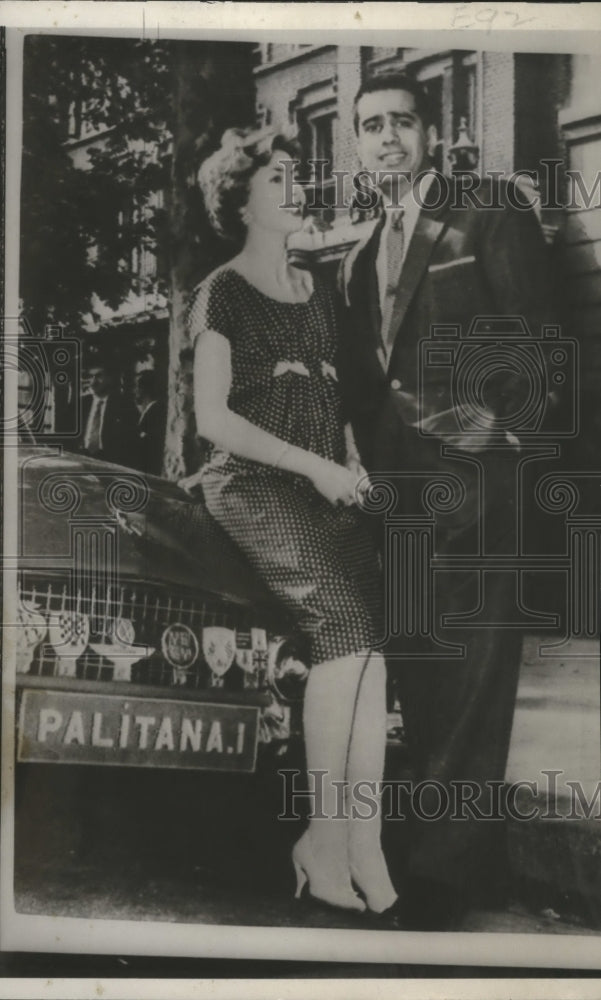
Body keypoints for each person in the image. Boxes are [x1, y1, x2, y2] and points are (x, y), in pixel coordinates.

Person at [339, 73, 557, 929]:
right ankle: (456, 859)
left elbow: (544, 337)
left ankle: (439, 878)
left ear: (430, 133)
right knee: (425, 682)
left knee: (473, 685)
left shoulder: (488, 210)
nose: (386, 138)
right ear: (355, 146)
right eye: (369, 127)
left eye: (400, 122)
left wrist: (502, 430)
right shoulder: (360, 255)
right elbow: (364, 386)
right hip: (400, 503)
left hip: (481, 494)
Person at [185, 126, 399, 920]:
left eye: (295, 175)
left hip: (322, 482)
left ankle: (356, 840)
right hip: (253, 484)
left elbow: (334, 397)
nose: (295, 186)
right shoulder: (222, 291)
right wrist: (315, 467)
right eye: (275, 178)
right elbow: (215, 420)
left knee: (367, 649)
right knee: (344, 623)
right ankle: (323, 836)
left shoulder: (316, 285)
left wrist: (348, 459)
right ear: (239, 203)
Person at [79, 360, 136, 467]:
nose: (94, 381)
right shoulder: (80, 404)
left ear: (110, 379)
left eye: (99, 376)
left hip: (110, 463)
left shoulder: (124, 405)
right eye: (91, 376)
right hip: (81, 459)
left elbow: (130, 442)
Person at [134, 369, 165, 476]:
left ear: (143, 388)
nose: (134, 391)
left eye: (136, 386)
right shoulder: (148, 410)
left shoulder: (156, 411)